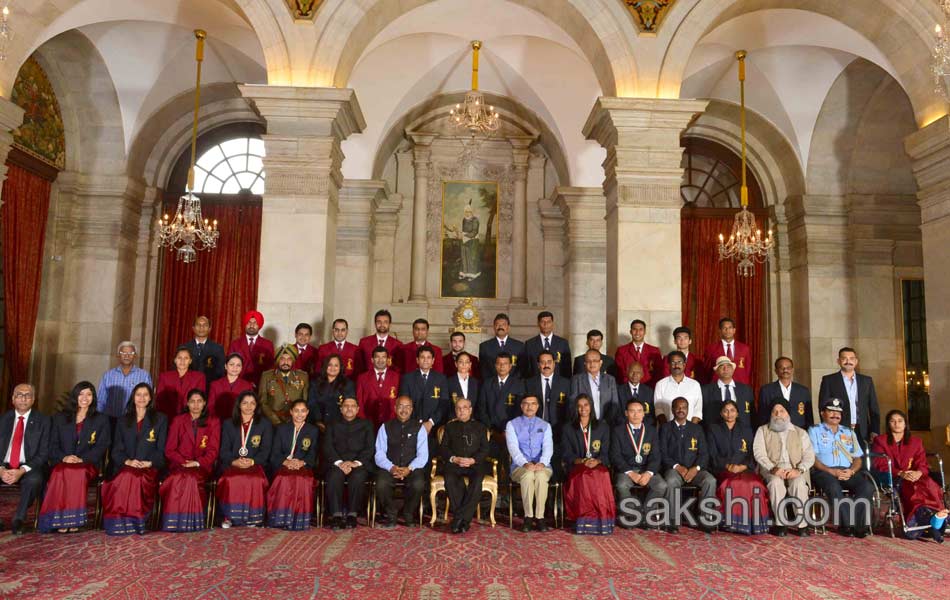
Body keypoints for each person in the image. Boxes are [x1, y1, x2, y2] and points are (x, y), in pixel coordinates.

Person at [39, 381, 110, 533]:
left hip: (88, 464)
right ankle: (57, 519)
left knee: (76, 472)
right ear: (75, 396)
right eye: (81, 394)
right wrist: (64, 457)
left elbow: (102, 446)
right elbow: (52, 444)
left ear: (94, 397)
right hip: (63, 462)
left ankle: (73, 519)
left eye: (89, 394)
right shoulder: (59, 418)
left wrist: (82, 459)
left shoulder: (101, 419)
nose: (85, 398)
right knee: (60, 472)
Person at [871, 409, 948, 542]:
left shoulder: (915, 442)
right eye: (892, 421)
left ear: (905, 424)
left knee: (930, 485)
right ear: (888, 424)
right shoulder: (881, 440)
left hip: (915, 476)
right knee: (912, 489)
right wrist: (900, 473)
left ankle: (933, 516)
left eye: (900, 421)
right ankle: (931, 520)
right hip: (892, 475)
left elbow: (922, 463)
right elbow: (880, 463)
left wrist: (918, 472)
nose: (896, 424)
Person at [102, 383, 167, 535]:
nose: (142, 398)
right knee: (127, 475)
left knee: (134, 477)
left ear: (150, 398)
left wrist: (149, 462)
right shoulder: (123, 420)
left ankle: (135, 522)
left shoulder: (160, 419)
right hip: (126, 466)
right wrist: (128, 461)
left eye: (145, 394)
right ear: (133, 397)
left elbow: (162, 449)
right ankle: (118, 522)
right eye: (138, 394)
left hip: (149, 467)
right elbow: (116, 450)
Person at [809, 397, 875, 538]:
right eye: (831, 411)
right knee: (833, 487)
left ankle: (860, 526)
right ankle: (847, 525)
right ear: (822, 413)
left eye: (838, 412)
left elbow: (857, 458)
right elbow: (812, 458)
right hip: (824, 471)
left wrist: (851, 471)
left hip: (847, 470)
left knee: (867, 487)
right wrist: (831, 471)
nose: (835, 414)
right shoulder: (814, 430)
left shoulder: (848, 432)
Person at [160, 389, 220, 532]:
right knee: (177, 478)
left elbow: (213, 450)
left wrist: (197, 462)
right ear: (187, 403)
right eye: (192, 401)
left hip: (201, 467)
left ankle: (192, 522)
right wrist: (184, 462)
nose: (196, 405)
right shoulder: (178, 421)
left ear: (204, 403)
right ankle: (173, 521)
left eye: (199, 401)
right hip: (179, 465)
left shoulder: (213, 421)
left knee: (191, 479)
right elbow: (169, 450)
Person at [706, 400, 769, 535]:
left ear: (738, 413)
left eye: (732, 410)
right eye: (726, 411)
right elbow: (711, 454)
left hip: (744, 468)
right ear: (721, 413)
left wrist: (742, 466)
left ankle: (755, 524)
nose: (729, 414)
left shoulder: (746, 429)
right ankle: (732, 523)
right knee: (732, 483)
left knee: (754, 484)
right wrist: (728, 465)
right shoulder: (713, 429)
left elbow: (753, 453)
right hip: (723, 469)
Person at [752, 400, 815, 537]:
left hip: (795, 469)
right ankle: (781, 524)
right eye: (775, 412)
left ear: (788, 413)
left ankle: (802, 525)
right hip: (772, 469)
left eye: (782, 411)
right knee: (775, 483)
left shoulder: (800, 432)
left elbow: (809, 456)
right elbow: (759, 453)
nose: (778, 414)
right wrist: (773, 468)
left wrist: (799, 470)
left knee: (798, 484)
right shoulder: (763, 430)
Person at [659, 397, 716, 533]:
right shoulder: (665, 428)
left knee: (710, 480)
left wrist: (695, 469)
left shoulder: (697, 429)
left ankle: (706, 519)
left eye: (684, 407)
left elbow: (704, 454)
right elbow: (662, 453)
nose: (681, 410)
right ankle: (671, 520)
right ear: (672, 410)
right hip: (674, 469)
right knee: (671, 481)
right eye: (677, 407)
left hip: (694, 469)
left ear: (688, 410)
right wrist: (677, 466)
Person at [217, 391, 273, 528]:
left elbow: (266, 450)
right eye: (245, 403)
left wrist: (252, 461)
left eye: (252, 403)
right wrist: (234, 461)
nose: (249, 406)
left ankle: (252, 518)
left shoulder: (265, 424)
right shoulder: (229, 424)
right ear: (239, 405)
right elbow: (224, 450)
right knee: (231, 479)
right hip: (233, 463)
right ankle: (228, 517)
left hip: (255, 464)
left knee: (254, 479)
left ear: (257, 406)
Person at [0, 384, 51, 534]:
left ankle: (19, 519)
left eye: (27, 395)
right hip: (3, 464)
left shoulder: (44, 421)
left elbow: (44, 453)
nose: (23, 398)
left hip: (30, 466)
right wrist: (1, 469)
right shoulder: (3, 420)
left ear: (33, 399)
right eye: (19, 395)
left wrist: (21, 470)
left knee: (34, 480)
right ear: (13, 399)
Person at [561, 394, 613, 535]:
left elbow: (606, 451)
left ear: (591, 407)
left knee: (601, 474)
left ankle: (602, 521)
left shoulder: (602, 426)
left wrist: (597, 461)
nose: (583, 408)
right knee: (584, 475)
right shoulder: (568, 428)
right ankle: (583, 520)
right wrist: (582, 461)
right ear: (576, 408)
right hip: (577, 465)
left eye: (586, 405)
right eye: (579, 406)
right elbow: (566, 453)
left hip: (598, 464)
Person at [611, 398, 666, 529]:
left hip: (646, 469)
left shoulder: (652, 431)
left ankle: (645, 515)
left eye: (639, 411)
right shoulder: (618, 431)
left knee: (661, 485)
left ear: (644, 413)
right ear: (626, 413)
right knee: (622, 485)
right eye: (632, 411)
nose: (636, 415)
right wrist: (630, 473)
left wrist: (648, 473)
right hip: (627, 470)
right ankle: (632, 515)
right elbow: (615, 456)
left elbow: (656, 456)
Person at [374, 396, 429, 528]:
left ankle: (408, 512)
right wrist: (391, 467)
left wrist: (409, 468)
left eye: (407, 407)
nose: (404, 410)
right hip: (390, 467)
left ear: (412, 409)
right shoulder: (385, 427)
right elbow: (379, 453)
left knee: (418, 484)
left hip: (412, 468)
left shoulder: (419, 428)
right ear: (395, 408)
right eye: (401, 406)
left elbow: (423, 455)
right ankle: (391, 513)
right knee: (381, 484)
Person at [266, 399, 319, 530]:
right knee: (283, 479)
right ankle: (281, 518)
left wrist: (302, 462)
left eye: (303, 411)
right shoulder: (281, 429)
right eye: (296, 411)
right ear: (291, 412)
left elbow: (313, 453)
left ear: (307, 413)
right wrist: (286, 462)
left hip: (303, 466)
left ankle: (299, 520)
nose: (299, 414)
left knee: (302, 479)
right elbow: (275, 452)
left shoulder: (313, 430)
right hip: (284, 465)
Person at [440, 398, 490, 534]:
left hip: (474, 464)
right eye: (458, 408)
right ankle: (464, 520)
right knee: (450, 478)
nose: (461, 411)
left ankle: (459, 518)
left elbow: (485, 449)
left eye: (465, 408)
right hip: (455, 463)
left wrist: (473, 460)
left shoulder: (480, 427)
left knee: (477, 481)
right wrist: (454, 459)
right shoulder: (449, 427)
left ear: (470, 410)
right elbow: (443, 448)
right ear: (455, 410)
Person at [324, 397, 375, 530]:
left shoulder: (367, 425)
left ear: (358, 409)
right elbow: (327, 447)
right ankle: (336, 515)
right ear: (341, 409)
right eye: (346, 406)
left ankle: (353, 514)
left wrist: (355, 463)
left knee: (358, 477)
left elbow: (370, 448)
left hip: (358, 464)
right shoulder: (332, 424)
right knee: (334, 476)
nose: (349, 408)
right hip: (337, 463)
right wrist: (340, 463)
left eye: (353, 406)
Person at [506, 395, 554, 532]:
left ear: (538, 407)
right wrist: (524, 463)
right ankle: (528, 516)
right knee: (527, 475)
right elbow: (513, 448)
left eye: (533, 403)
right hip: (519, 467)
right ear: (521, 406)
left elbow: (548, 447)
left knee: (540, 476)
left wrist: (542, 463)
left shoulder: (545, 425)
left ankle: (539, 517)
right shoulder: (512, 424)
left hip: (542, 466)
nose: (529, 407)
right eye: (526, 404)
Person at [818, 347, 880, 447]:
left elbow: (873, 407)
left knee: (862, 461)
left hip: (862, 430)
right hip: (838, 428)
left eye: (851, 358)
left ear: (856, 361)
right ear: (838, 361)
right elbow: (823, 407)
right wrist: (827, 429)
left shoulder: (866, 381)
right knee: (842, 460)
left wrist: (875, 430)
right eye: (844, 358)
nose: (848, 361)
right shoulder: (829, 380)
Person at [400, 346, 450, 435]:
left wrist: (431, 422)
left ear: (433, 360)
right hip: (412, 426)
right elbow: (405, 402)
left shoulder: (441, 379)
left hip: (435, 427)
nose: (425, 360)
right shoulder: (407, 378)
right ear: (417, 360)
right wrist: (417, 423)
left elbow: (444, 403)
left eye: (428, 357)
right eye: (422, 357)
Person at [478, 352, 526, 446]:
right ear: (495, 366)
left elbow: (520, 409)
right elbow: (481, 408)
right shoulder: (487, 383)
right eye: (499, 363)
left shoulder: (518, 384)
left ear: (510, 366)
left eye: (505, 364)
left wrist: (507, 428)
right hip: (490, 430)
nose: (502, 366)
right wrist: (490, 428)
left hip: (511, 430)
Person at [97, 341, 153, 419]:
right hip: (111, 419)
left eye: (131, 353)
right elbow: (101, 400)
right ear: (118, 355)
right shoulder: (108, 375)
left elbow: (149, 400)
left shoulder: (144, 375)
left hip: (134, 419)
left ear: (135, 356)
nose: (127, 356)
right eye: (123, 353)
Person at [259, 345, 309, 426]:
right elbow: (263, 402)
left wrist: (296, 419)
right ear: (278, 360)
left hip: (295, 421)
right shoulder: (266, 376)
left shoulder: (303, 376)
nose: (286, 362)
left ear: (293, 361)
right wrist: (275, 420)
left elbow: (305, 401)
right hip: (272, 422)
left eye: (289, 359)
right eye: (282, 359)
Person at [569, 349, 621, 426]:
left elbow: (615, 404)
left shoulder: (610, 379)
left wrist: (605, 422)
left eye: (595, 360)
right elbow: (573, 403)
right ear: (584, 363)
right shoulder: (577, 380)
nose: (592, 363)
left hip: (607, 425)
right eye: (588, 361)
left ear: (600, 363)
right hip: (584, 424)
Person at [758, 356, 813, 428]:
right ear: (776, 371)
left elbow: (809, 417)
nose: (785, 370)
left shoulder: (803, 391)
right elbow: (762, 416)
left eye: (788, 368)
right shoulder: (766, 390)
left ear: (792, 370)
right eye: (782, 368)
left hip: (798, 432)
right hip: (774, 432)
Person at [701, 356, 754, 430]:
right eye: (722, 366)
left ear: (733, 369)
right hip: (714, 434)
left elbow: (752, 415)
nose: (725, 369)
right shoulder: (706, 390)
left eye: (728, 366)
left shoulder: (746, 390)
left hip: (742, 433)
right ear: (716, 371)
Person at [155, 346, 206, 421]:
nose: (182, 361)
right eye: (179, 358)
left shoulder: (199, 377)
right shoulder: (165, 376)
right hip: (168, 417)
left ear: (190, 361)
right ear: (175, 360)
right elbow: (160, 400)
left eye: (186, 358)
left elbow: (200, 399)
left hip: (191, 417)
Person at [525, 350, 571, 431]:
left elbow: (569, 409)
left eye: (549, 362)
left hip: (560, 429)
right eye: (542, 362)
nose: (546, 365)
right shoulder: (528, 383)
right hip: (535, 428)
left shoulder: (565, 383)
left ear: (554, 364)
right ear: (538, 365)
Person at [356, 346, 401, 428]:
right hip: (368, 424)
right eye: (377, 357)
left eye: (383, 357)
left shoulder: (397, 377)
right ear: (372, 360)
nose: (380, 360)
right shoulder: (362, 378)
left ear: (388, 360)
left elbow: (399, 400)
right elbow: (359, 402)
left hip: (391, 423)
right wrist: (362, 422)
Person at [653, 351, 703, 426]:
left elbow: (698, 410)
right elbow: (658, 410)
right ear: (669, 365)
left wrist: (691, 429)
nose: (676, 365)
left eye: (679, 362)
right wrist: (668, 429)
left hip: (690, 430)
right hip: (667, 430)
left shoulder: (695, 385)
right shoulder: (660, 384)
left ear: (684, 364)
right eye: (673, 362)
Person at [227, 310, 275, 386]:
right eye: (249, 322)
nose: (251, 325)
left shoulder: (267, 344)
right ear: (245, 324)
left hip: (260, 385)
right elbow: (229, 367)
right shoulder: (235, 344)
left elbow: (270, 369)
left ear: (259, 325)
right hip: (238, 384)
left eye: (255, 323)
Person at [308, 354, 356, 426]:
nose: (332, 368)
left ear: (340, 368)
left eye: (336, 365)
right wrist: (319, 421)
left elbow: (349, 405)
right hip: (317, 423)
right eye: (330, 365)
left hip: (340, 425)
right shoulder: (315, 383)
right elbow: (312, 403)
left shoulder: (348, 384)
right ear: (325, 366)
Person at [523, 311, 572, 379]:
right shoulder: (530, 344)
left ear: (552, 323)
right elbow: (526, 369)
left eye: (548, 322)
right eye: (543, 322)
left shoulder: (563, 343)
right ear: (538, 324)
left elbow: (567, 369)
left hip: (558, 383)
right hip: (536, 384)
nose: (545, 324)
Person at [704, 317, 752, 385]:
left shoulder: (745, 348)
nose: (727, 330)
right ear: (720, 331)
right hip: (718, 386)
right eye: (724, 328)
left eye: (730, 328)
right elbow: (707, 370)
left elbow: (747, 370)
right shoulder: (711, 349)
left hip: (740, 385)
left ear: (734, 330)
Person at [614, 319, 662, 385]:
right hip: (627, 388)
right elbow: (620, 373)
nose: (637, 332)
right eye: (634, 329)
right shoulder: (622, 351)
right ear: (630, 331)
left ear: (645, 332)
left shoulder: (654, 351)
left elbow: (658, 374)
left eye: (640, 329)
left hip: (649, 388)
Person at [208, 353, 253, 422]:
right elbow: (210, 407)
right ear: (226, 366)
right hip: (218, 422)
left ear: (241, 368)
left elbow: (250, 407)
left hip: (238, 423)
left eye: (238, 365)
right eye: (231, 364)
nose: (235, 368)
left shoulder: (247, 386)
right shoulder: (215, 384)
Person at [478, 313, 525, 380]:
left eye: (503, 324)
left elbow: (522, 369)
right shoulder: (484, 346)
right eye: (498, 324)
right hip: (492, 386)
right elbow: (483, 370)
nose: (500, 327)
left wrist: (511, 383)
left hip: (513, 385)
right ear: (494, 327)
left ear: (508, 327)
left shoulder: (519, 346)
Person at [182, 315, 226, 384]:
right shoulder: (185, 348)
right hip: (188, 386)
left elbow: (221, 372)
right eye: (198, 325)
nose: (201, 327)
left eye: (205, 325)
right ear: (193, 328)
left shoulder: (217, 349)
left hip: (209, 389)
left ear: (209, 329)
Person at [617, 362, 656, 428]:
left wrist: (641, 426)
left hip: (645, 428)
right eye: (632, 371)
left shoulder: (649, 391)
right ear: (627, 373)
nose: (635, 374)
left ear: (642, 374)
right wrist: (630, 426)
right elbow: (617, 413)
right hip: (624, 427)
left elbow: (652, 414)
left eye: (638, 372)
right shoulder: (619, 390)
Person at [458, 203, 481, 280]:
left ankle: (472, 275)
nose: (467, 213)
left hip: (473, 241)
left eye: (469, 212)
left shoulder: (475, 220)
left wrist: (465, 236)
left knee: (471, 258)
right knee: (464, 256)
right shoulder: (464, 219)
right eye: (466, 212)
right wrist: (461, 235)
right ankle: (464, 273)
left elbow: (475, 232)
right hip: (464, 240)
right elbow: (463, 230)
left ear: (471, 212)